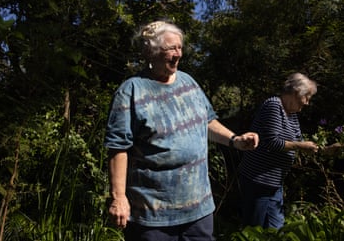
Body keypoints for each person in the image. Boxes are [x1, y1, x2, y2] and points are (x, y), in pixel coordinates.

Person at [104, 20, 259, 241]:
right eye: (170, 49)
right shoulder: (131, 91)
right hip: (152, 215)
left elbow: (206, 122)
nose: (178, 54)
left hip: (198, 210)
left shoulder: (189, 82)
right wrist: (118, 197)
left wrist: (235, 140)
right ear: (150, 52)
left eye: (180, 47)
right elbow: (118, 147)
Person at [238, 72, 319, 229]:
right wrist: (301, 146)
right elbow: (272, 143)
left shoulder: (292, 115)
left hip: (275, 183)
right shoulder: (274, 105)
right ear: (296, 93)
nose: (307, 102)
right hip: (258, 180)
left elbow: (298, 142)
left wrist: (322, 150)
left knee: (276, 228)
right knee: (254, 230)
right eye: (306, 97)